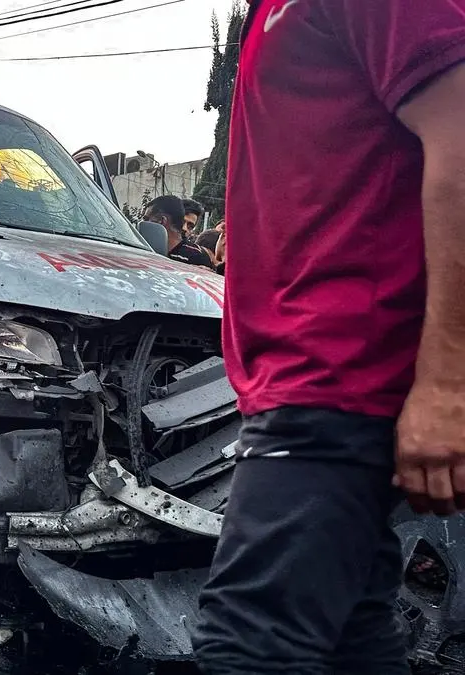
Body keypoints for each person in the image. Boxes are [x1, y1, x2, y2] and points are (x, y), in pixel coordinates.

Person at [192, 2, 465, 673]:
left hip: (340, 377)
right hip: (314, 379)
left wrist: (447, 383)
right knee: (351, 638)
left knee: (249, 645)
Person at [143, 195, 213, 269]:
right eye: (182, 222)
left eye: (190, 226)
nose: (184, 228)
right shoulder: (143, 245)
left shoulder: (198, 256)